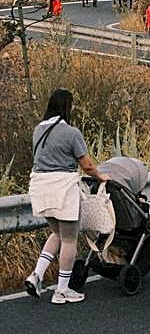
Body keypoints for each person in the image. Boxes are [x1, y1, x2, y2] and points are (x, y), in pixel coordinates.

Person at [26, 89, 108, 304]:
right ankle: (62, 290)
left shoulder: (38, 129)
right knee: (69, 239)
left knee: (57, 233)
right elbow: (87, 165)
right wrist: (101, 176)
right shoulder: (71, 132)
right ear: (67, 108)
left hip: (40, 187)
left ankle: (36, 275)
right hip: (62, 188)